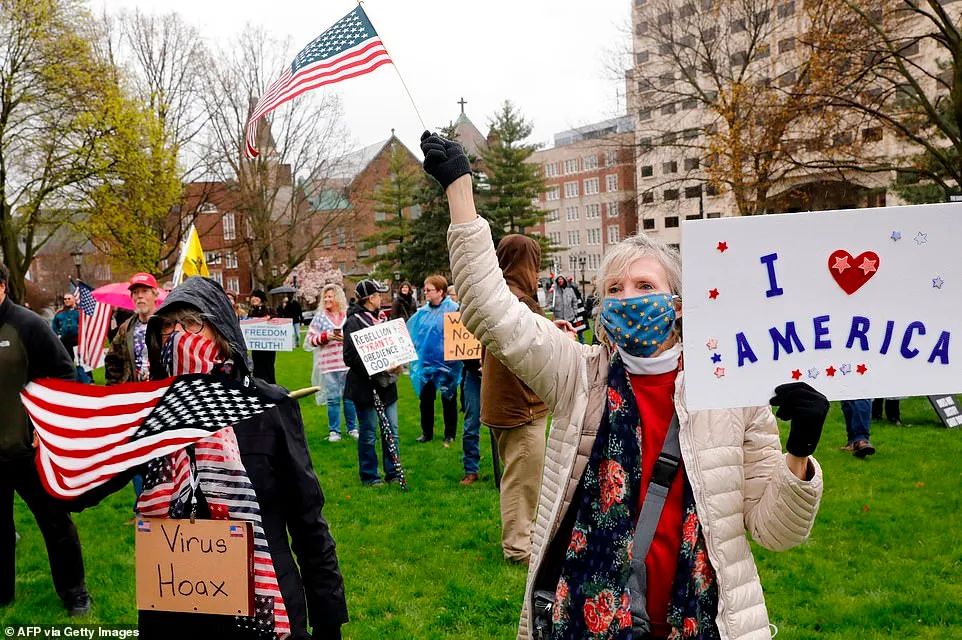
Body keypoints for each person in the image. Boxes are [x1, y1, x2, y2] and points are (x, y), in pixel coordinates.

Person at [421, 132, 827, 640]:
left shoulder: (732, 391)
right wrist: (461, 192)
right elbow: (491, 310)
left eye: (645, 286)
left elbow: (776, 531)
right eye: (614, 289)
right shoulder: (578, 375)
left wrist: (801, 453)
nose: (628, 298)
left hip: (702, 622)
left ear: (677, 303)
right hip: (585, 623)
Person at [141, 276, 348, 639]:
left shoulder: (269, 406)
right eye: (167, 327)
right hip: (181, 602)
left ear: (221, 330)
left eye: (190, 324)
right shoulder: (155, 415)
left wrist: (328, 616)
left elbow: (308, 520)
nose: (176, 336)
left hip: (265, 600)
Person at [0, 262, 92, 616]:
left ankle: (75, 592)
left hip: (29, 449)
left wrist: (45, 427)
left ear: (3, 286)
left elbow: (64, 374)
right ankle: (2, 593)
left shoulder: (28, 325)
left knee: (55, 522)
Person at [481, 234, 550, 563]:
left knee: (522, 477)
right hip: (521, 407)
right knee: (521, 482)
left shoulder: (501, 298)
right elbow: (530, 357)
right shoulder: (516, 302)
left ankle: (524, 537)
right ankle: (519, 548)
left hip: (509, 405)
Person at [103, 272, 160, 522]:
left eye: (144, 291)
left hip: (161, 400)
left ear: (155, 294)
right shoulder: (127, 328)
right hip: (134, 402)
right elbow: (112, 360)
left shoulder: (167, 323)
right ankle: (143, 508)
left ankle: (164, 504)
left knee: (162, 454)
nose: (139, 296)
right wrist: (115, 390)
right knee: (136, 455)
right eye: (135, 292)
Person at [341, 279, 402, 486]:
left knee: (391, 430)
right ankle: (370, 476)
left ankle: (393, 472)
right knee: (368, 433)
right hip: (365, 387)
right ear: (369, 299)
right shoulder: (353, 322)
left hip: (387, 385)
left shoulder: (384, 319)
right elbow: (349, 357)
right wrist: (377, 365)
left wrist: (396, 361)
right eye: (377, 295)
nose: (380, 299)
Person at [408, 275, 463, 445]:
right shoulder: (422, 313)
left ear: (440, 291)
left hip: (449, 363)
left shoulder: (454, 310)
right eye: (425, 290)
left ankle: (450, 433)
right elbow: (414, 334)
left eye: (429, 290)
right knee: (425, 400)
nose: (426, 293)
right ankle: (427, 432)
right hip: (426, 364)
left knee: (448, 398)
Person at [306, 284, 358, 442]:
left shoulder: (347, 315)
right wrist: (325, 337)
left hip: (347, 364)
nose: (327, 299)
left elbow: (356, 336)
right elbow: (309, 341)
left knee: (349, 398)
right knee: (333, 398)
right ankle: (334, 431)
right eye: (325, 297)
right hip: (328, 365)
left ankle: (352, 428)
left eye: (330, 296)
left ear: (338, 298)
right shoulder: (320, 317)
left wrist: (345, 338)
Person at [51, 291, 90, 383]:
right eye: (65, 299)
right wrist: (58, 335)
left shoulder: (80, 312)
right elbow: (54, 327)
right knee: (66, 361)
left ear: (74, 299)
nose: (66, 300)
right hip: (64, 341)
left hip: (78, 340)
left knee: (81, 361)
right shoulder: (59, 313)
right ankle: (68, 379)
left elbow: (86, 325)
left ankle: (85, 380)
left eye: (69, 298)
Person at [248, 289, 277, 384]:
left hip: (269, 347)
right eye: (252, 297)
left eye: (255, 296)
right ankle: (259, 385)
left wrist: (270, 318)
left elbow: (278, 322)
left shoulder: (269, 310)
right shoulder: (251, 312)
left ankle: (271, 385)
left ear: (261, 298)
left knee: (269, 367)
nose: (253, 298)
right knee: (257, 367)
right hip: (256, 347)